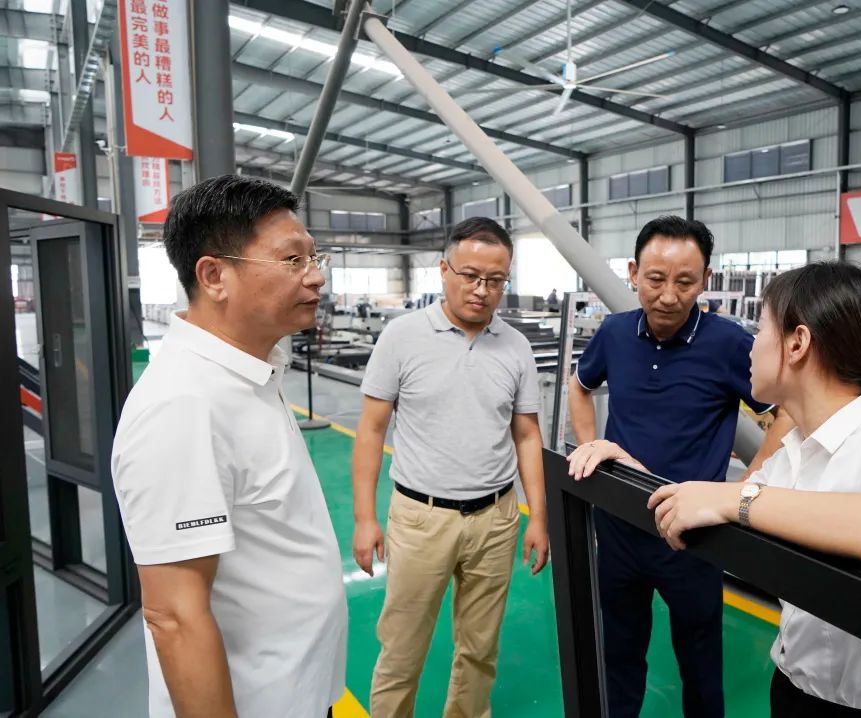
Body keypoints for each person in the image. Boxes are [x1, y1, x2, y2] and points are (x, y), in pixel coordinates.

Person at [648, 261, 861, 716]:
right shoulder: (790, 455)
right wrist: (626, 465)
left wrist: (738, 498)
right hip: (794, 692)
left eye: (760, 328)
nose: (751, 345)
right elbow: (712, 511)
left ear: (797, 343)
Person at [110, 175, 347, 718]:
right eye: (292, 260)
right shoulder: (183, 405)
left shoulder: (251, 372)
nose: (316, 276)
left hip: (299, 693)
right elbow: (174, 616)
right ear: (214, 276)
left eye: (314, 258)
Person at [566, 215, 793, 718]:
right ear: (633, 273)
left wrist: (749, 482)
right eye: (655, 279)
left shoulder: (729, 343)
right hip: (619, 526)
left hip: (691, 538)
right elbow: (579, 386)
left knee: (700, 663)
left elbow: (786, 412)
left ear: (705, 279)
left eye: (685, 282)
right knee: (619, 654)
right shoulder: (615, 333)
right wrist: (590, 449)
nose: (668, 296)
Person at [353, 217, 550, 718]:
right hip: (421, 519)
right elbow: (372, 429)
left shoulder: (516, 346)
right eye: (470, 276)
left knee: (480, 649)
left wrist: (538, 518)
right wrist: (365, 518)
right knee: (402, 647)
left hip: (496, 520)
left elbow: (527, 435)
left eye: (496, 280)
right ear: (444, 270)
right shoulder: (402, 337)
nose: (482, 290)